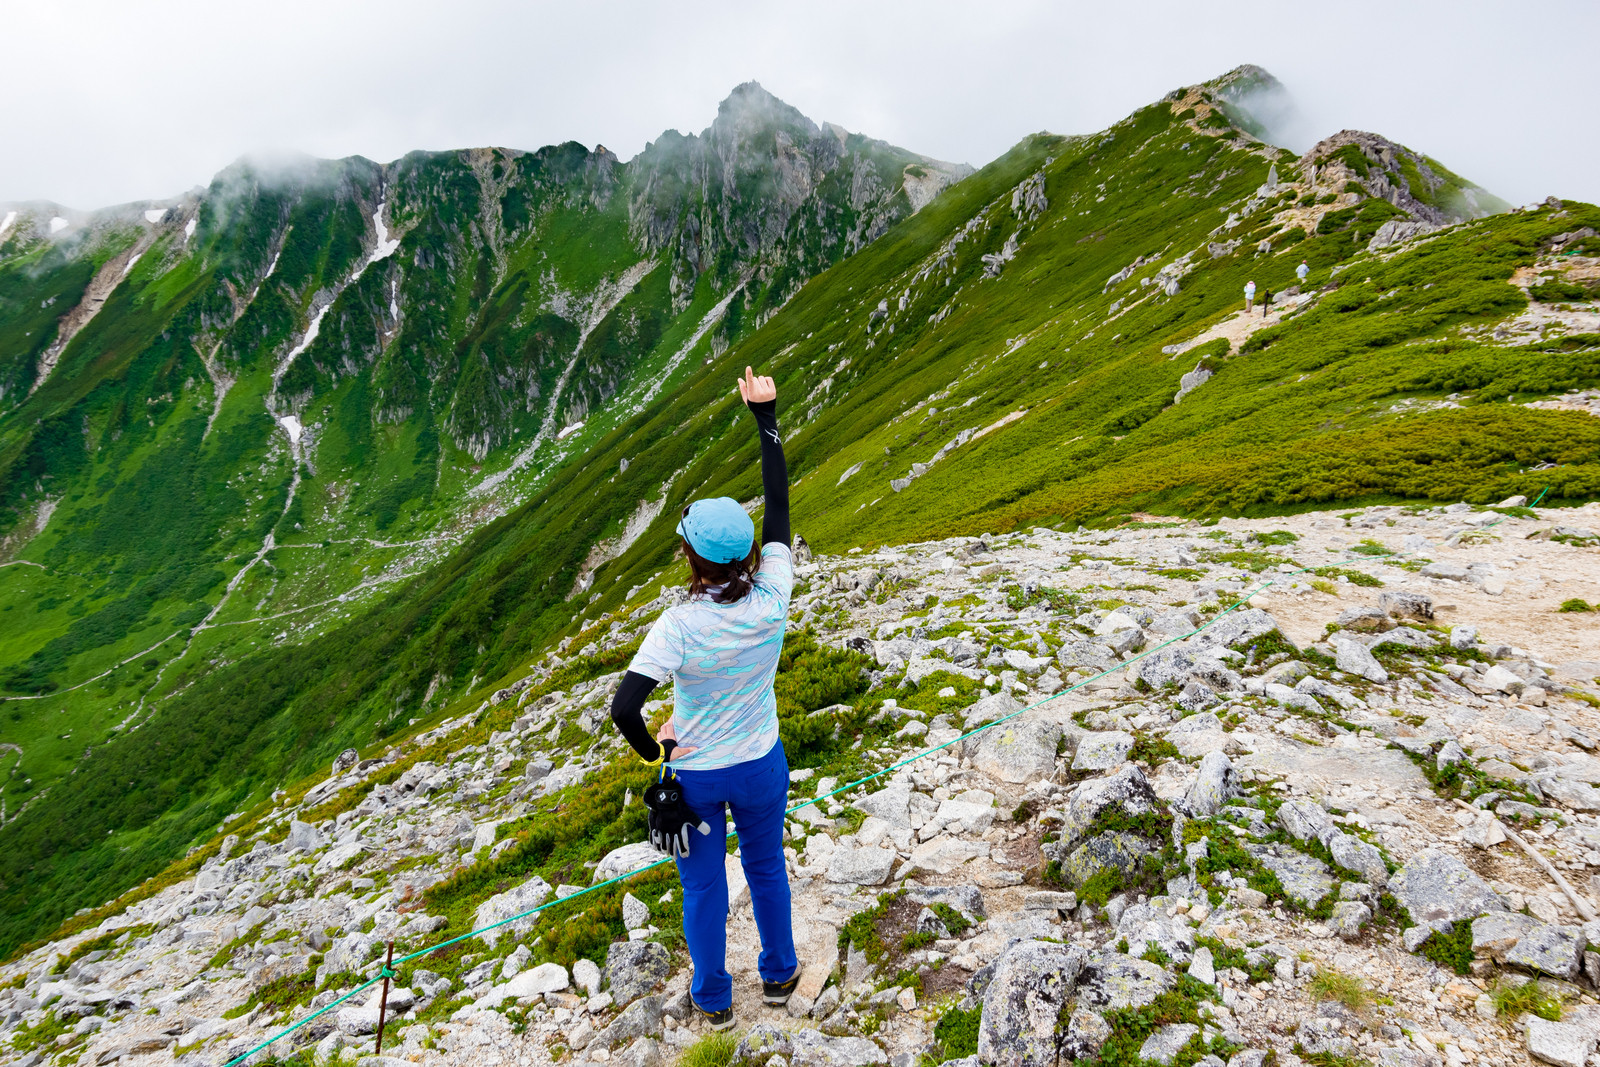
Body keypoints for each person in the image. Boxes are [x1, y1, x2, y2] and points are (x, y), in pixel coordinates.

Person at [608, 366, 798, 1031]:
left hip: (695, 775)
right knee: (767, 867)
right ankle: (778, 975)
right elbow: (779, 507)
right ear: (746, 554)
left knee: (703, 887)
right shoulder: (773, 594)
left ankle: (714, 1001)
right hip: (760, 761)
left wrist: (654, 746)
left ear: (692, 558)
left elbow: (624, 707)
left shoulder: (678, 625)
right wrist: (765, 419)